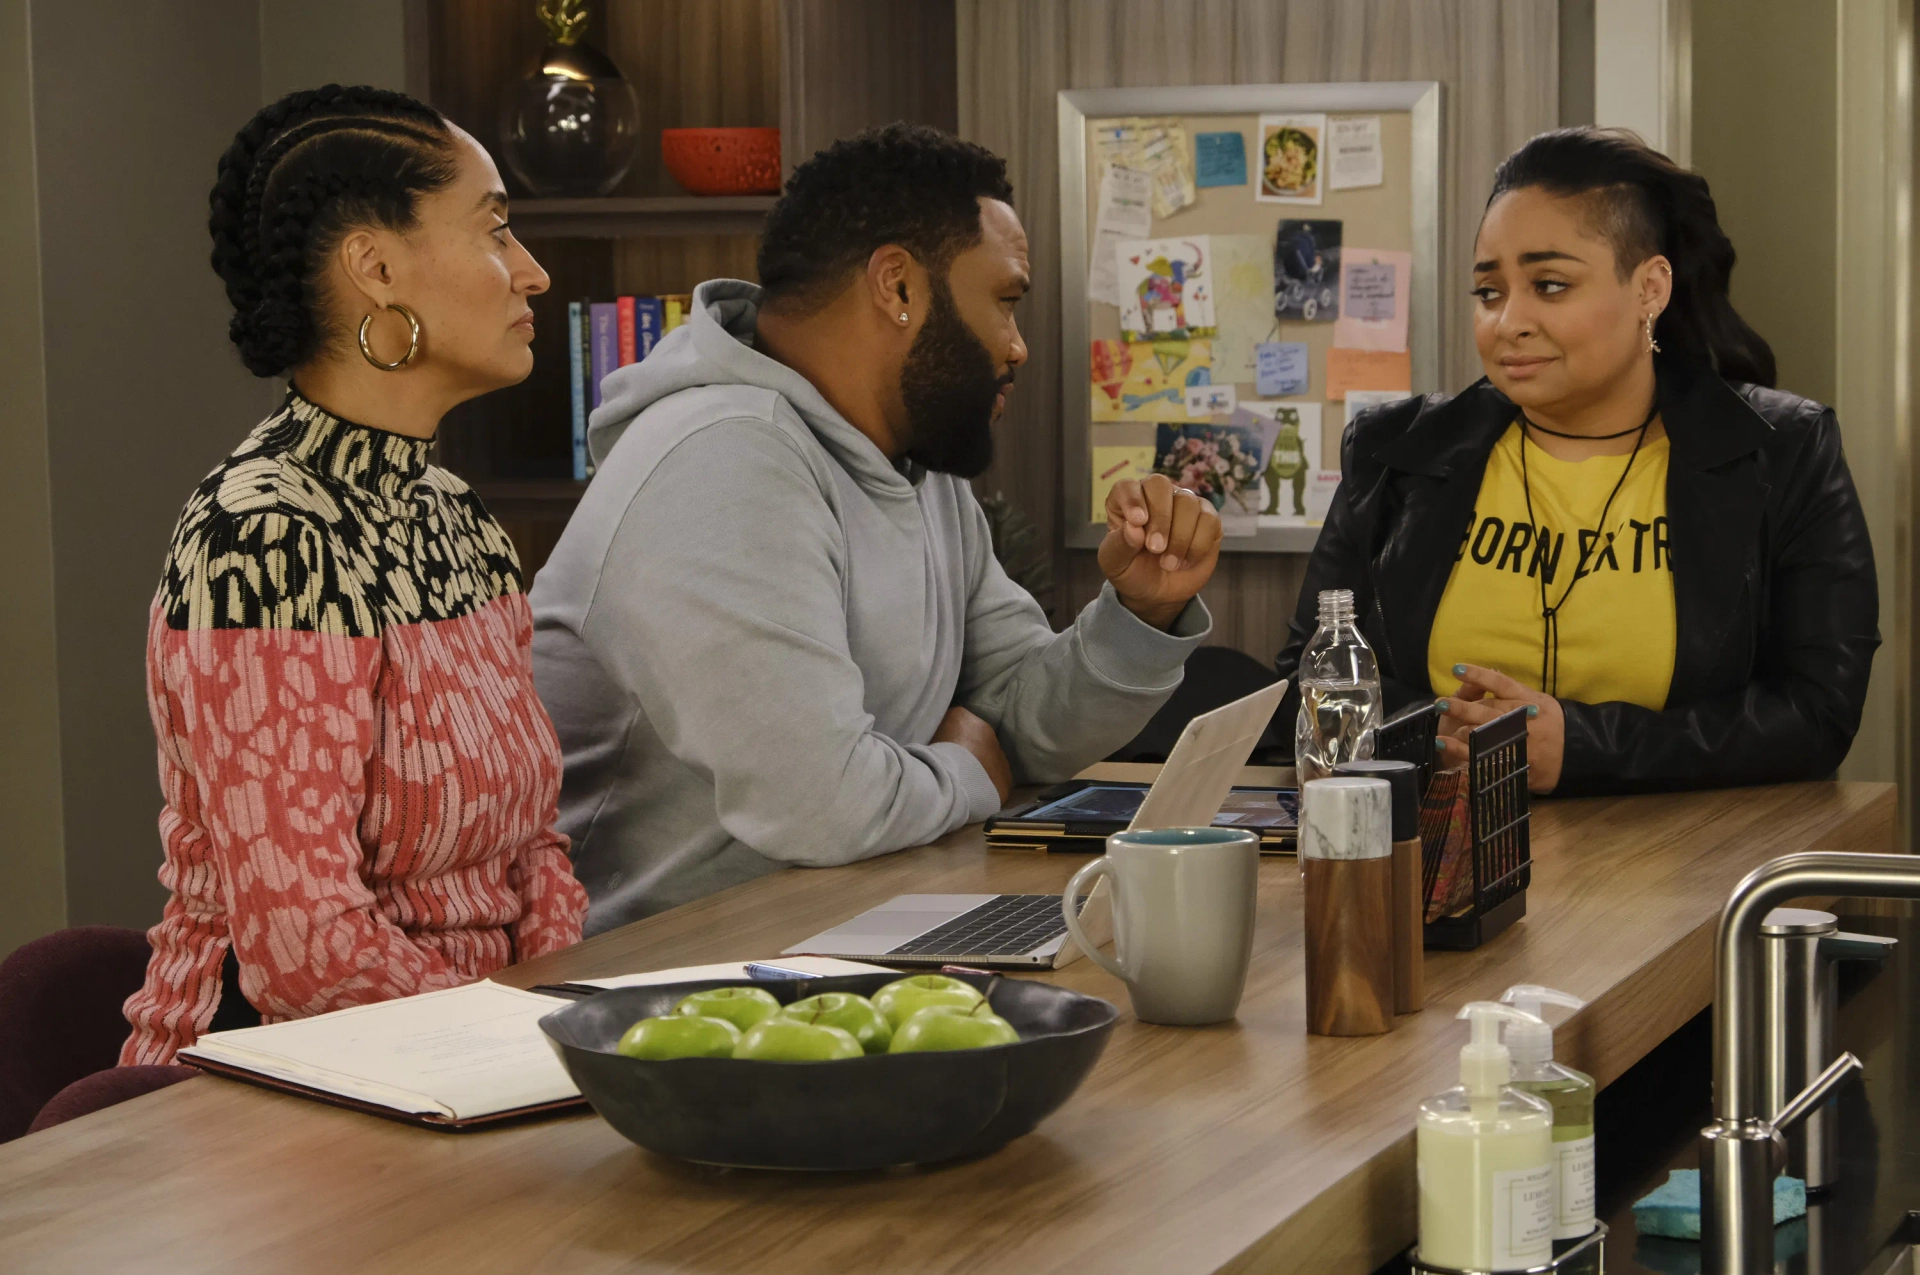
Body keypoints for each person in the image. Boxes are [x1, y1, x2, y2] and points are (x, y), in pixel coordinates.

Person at [532, 124, 1222, 932]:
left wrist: (1139, 614)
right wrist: (966, 767)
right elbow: (819, 805)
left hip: (836, 928)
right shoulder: (723, 459)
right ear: (897, 287)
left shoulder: (913, 469)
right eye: (1005, 301)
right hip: (655, 973)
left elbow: (1020, 723)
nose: (1019, 346)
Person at [121, 86, 588, 1065]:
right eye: (498, 233)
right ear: (377, 268)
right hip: (269, 1090)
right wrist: (525, 1037)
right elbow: (307, 955)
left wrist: (556, 1030)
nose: (533, 274)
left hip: (473, 1060)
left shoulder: (460, 520)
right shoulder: (263, 536)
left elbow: (534, 857)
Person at [1276, 127, 1877, 794]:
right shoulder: (1395, 454)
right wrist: (1448, 735)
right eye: (1489, 292)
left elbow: (1819, 715)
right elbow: (1303, 690)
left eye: (1551, 285)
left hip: (1690, 868)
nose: (1509, 322)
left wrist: (1588, 749)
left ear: (1650, 288)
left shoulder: (1782, 451)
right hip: (1439, 858)